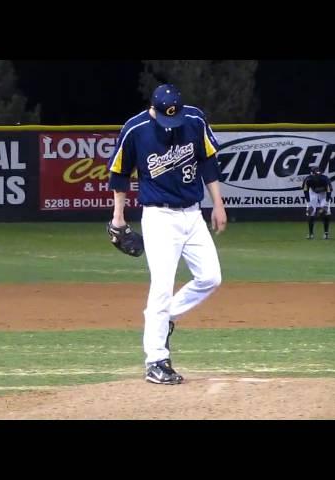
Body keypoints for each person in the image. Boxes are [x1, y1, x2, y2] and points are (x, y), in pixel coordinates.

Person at [107, 83, 227, 383]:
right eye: (165, 117)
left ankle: (166, 316)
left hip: (192, 214)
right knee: (161, 286)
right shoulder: (135, 129)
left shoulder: (194, 120)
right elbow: (119, 174)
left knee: (211, 277)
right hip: (159, 217)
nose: (171, 124)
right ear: (154, 109)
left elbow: (208, 163)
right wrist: (118, 217)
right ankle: (156, 361)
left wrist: (218, 205)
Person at [302, 166, 333, 239]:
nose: (317, 175)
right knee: (310, 212)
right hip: (312, 192)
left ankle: (326, 233)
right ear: (312, 174)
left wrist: (326, 204)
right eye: (316, 174)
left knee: (326, 212)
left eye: (319, 174)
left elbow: (329, 191)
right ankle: (311, 234)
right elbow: (306, 191)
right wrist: (309, 204)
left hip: (324, 193)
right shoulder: (308, 179)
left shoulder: (325, 179)